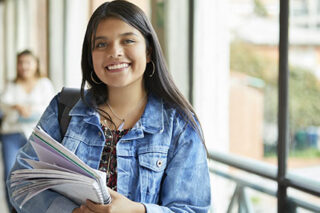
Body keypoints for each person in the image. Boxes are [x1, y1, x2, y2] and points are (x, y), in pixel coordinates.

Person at [7, 1, 211, 212]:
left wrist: (137, 210)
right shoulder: (64, 108)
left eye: (128, 40)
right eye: (101, 44)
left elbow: (192, 209)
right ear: (90, 56)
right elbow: (20, 182)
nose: (115, 52)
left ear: (148, 51)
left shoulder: (179, 125)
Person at [0, 49, 55, 211]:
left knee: (35, 175)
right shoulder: (12, 85)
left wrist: (29, 109)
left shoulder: (44, 84)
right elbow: (3, 104)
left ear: (36, 64)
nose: (24, 66)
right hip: (12, 134)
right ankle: (13, 209)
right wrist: (15, 106)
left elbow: (50, 106)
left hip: (36, 135)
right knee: (11, 174)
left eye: (28, 62)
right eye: (21, 63)